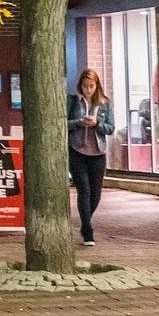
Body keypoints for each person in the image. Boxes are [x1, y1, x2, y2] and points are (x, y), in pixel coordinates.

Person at [69, 68, 115, 247]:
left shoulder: (105, 104)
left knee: (96, 193)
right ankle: (87, 230)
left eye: (91, 86)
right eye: (85, 85)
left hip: (98, 152)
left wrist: (97, 124)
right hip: (77, 150)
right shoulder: (73, 102)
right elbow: (63, 123)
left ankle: (85, 221)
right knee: (84, 190)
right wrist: (78, 123)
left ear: (97, 86)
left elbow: (111, 128)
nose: (88, 89)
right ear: (80, 85)